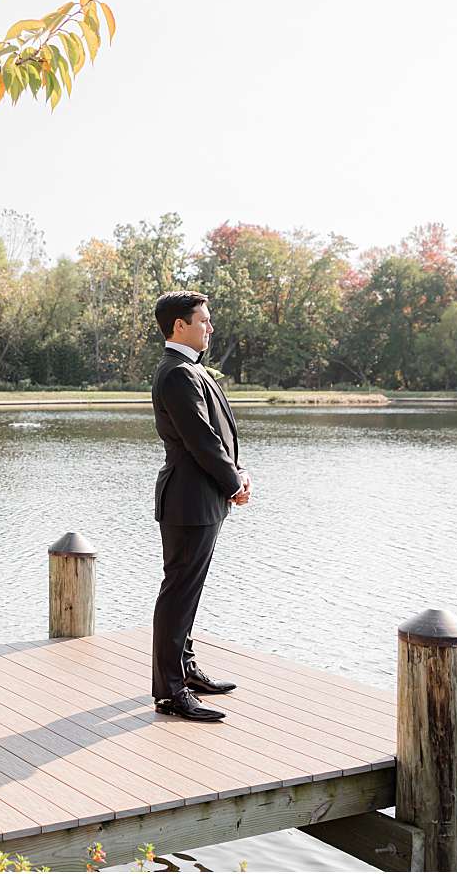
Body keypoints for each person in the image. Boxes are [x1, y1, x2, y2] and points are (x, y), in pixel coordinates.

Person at [150, 291, 251, 722]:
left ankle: (185, 670)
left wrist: (238, 472)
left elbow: (219, 433)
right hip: (188, 501)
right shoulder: (177, 373)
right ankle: (170, 693)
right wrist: (233, 482)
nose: (210, 327)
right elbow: (201, 440)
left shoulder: (191, 369)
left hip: (202, 499)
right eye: (203, 320)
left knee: (188, 591)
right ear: (180, 326)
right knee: (178, 593)